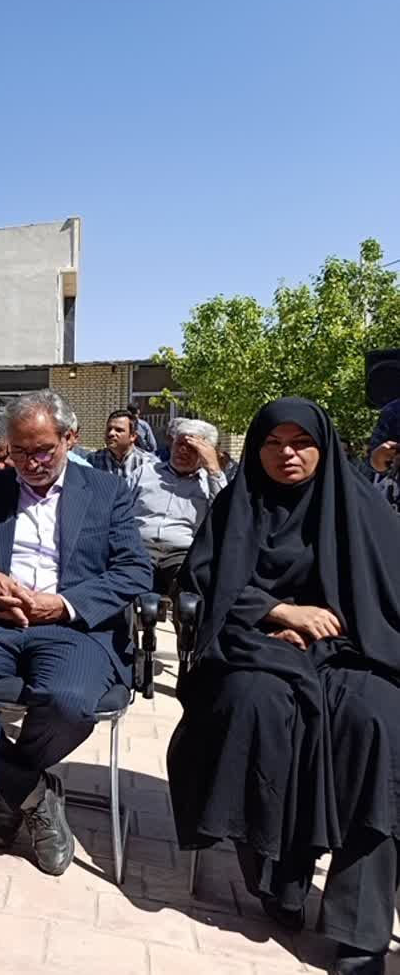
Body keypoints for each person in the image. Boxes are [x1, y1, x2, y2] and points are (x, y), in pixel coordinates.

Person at [167, 398, 400, 975]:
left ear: (325, 447)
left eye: (301, 443)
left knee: (373, 722)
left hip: (349, 648)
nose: (286, 454)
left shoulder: (362, 507)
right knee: (256, 707)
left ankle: (360, 931)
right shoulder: (236, 504)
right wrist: (279, 612)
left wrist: (331, 626)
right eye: (273, 443)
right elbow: (204, 582)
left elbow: (386, 596)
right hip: (252, 642)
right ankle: (276, 877)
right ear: (256, 448)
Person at [0, 390, 151, 877]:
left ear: (70, 438)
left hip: (72, 626)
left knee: (70, 702)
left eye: (43, 450)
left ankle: (9, 790)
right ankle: (32, 795)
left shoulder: (106, 491)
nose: (30, 463)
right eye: (19, 451)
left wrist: (64, 604)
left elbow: (135, 571)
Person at [130, 418, 226, 600]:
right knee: (128, 586)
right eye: (179, 443)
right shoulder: (145, 472)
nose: (183, 450)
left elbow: (225, 514)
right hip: (140, 547)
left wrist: (213, 469)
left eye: (191, 447)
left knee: (190, 595)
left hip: (182, 553)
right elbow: (120, 510)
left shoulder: (209, 483)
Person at [88, 409, 156, 485]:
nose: (111, 433)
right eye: (109, 429)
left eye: (118, 430)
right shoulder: (93, 460)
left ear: (132, 436)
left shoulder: (148, 464)